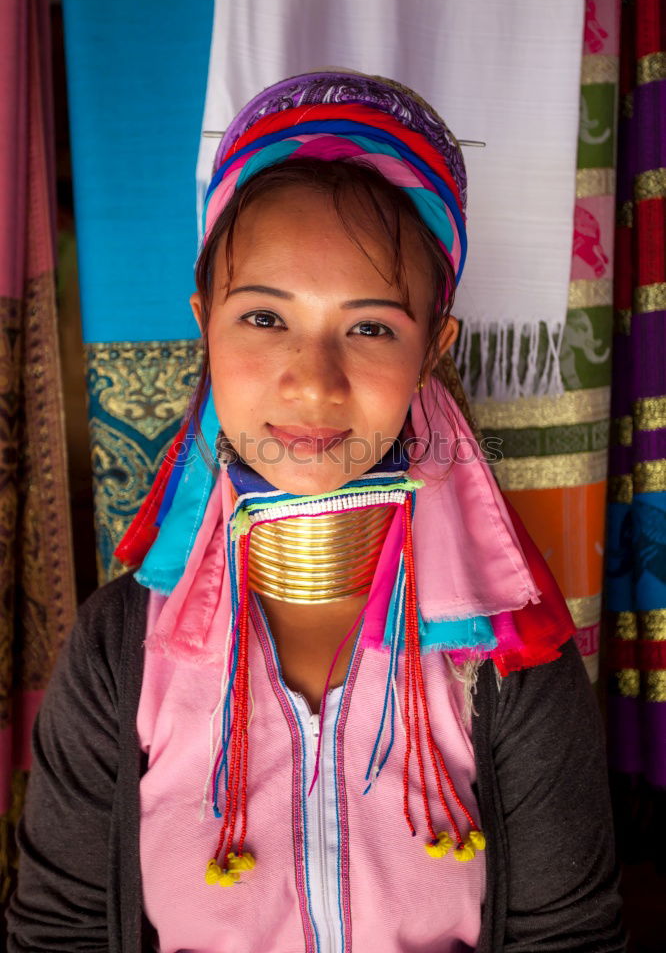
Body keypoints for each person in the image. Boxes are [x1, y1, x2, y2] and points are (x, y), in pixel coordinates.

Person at [6, 70, 625, 952]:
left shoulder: (507, 655)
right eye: (263, 318)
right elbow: (56, 934)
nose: (312, 379)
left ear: (432, 348)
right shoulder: (120, 653)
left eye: (371, 328)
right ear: (204, 324)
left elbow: (570, 941)